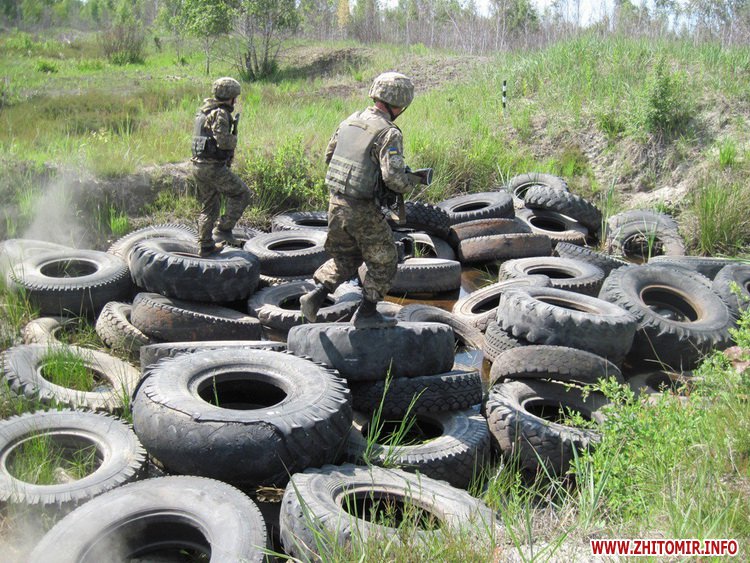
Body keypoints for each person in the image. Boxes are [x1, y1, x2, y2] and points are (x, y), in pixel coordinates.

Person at [300, 72, 425, 328]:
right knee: (386, 260)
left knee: (346, 258)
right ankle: (367, 313)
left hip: (336, 204)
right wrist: (413, 180)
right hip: (362, 210)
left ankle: (314, 296)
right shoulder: (389, 133)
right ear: (401, 103)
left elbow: (329, 157)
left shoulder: (350, 121)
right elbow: (394, 179)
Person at [190, 76, 252, 257]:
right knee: (242, 193)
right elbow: (223, 141)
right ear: (230, 97)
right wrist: (234, 140)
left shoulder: (203, 112)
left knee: (210, 206)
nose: (236, 101)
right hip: (213, 167)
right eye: (235, 98)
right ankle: (224, 230)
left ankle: (205, 245)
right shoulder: (220, 113)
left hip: (198, 165)